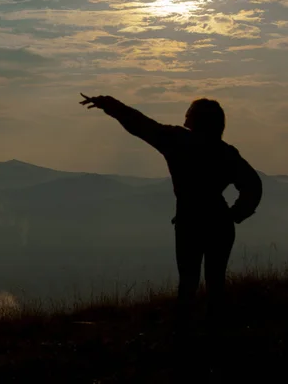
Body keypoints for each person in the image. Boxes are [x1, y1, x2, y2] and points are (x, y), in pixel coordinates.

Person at [79, 94, 262, 373]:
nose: (184, 115)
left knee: (188, 283)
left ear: (196, 119)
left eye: (189, 112)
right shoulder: (226, 152)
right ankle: (216, 343)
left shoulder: (178, 141)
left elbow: (140, 124)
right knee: (216, 283)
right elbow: (253, 185)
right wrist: (235, 214)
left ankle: (184, 344)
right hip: (219, 222)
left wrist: (108, 104)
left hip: (191, 222)